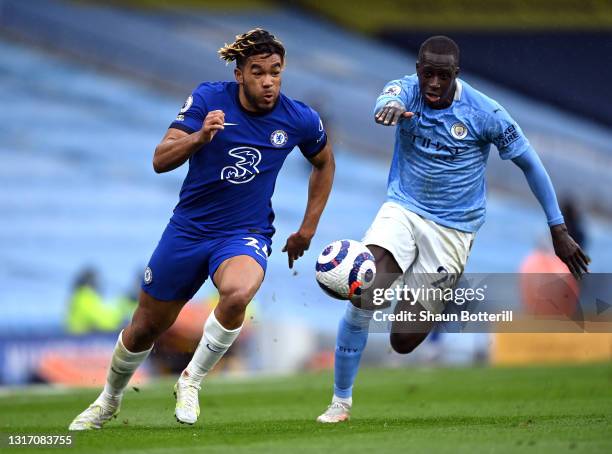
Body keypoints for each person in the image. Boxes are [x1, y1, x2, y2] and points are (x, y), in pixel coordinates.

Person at [69, 28, 334, 430]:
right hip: (189, 230)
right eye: (258, 72)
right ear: (239, 74)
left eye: (275, 72)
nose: (268, 81)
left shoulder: (299, 118)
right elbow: (160, 159)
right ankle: (108, 400)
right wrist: (200, 137)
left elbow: (324, 163)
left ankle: (191, 380)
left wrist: (307, 228)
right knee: (144, 329)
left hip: (244, 232)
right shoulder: (209, 99)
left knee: (239, 293)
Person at [316, 35, 589, 423]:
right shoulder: (405, 92)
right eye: (427, 74)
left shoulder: (486, 113)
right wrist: (388, 108)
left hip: (452, 231)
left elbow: (530, 163)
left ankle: (427, 293)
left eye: (442, 76)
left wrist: (557, 228)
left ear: (455, 74)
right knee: (366, 290)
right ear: (417, 70)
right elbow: (387, 99)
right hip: (403, 209)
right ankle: (340, 402)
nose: (432, 84)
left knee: (403, 339)